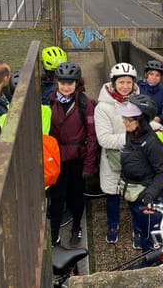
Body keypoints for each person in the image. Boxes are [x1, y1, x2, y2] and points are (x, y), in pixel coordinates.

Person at [47, 62, 98, 247]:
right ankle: (53, 234)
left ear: (77, 83)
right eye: (63, 82)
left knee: (77, 197)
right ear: (57, 82)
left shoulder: (85, 103)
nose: (66, 86)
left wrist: (89, 165)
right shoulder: (49, 101)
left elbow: (92, 136)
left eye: (70, 83)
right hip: (56, 159)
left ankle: (77, 226)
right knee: (57, 198)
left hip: (77, 159)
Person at [117, 95, 163, 253]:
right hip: (133, 195)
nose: (125, 122)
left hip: (146, 199)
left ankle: (153, 262)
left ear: (142, 121)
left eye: (129, 120)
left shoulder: (153, 144)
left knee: (151, 237)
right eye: (124, 118)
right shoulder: (131, 133)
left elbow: (162, 172)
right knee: (141, 229)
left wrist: (150, 195)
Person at [94, 62, 139, 245]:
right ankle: (113, 225)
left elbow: (146, 124)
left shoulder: (138, 102)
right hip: (112, 160)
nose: (125, 86)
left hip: (135, 159)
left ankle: (138, 228)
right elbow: (104, 139)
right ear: (113, 83)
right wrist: (133, 137)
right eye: (121, 82)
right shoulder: (103, 107)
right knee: (112, 196)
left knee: (135, 196)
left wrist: (156, 128)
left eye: (129, 82)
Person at [137, 60, 163, 126]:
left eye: (157, 75)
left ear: (160, 77)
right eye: (151, 74)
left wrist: (160, 118)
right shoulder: (138, 88)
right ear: (146, 75)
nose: (154, 77)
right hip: (141, 126)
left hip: (158, 126)